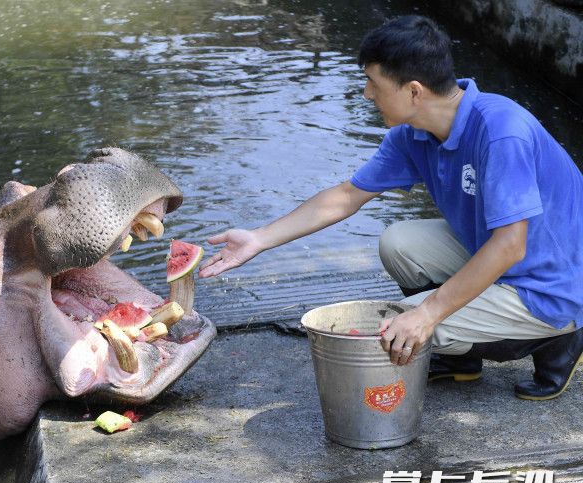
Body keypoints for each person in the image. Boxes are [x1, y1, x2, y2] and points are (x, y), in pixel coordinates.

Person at [198, 15, 583, 401]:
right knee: (398, 242)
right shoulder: (413, 134)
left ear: (414, 91)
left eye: (374, 83)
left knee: (397, 328)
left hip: (551, 285)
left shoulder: (502, 132)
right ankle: (459, 361)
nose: (367, 93)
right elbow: (347, 195)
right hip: (509, 258)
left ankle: (558, 338)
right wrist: (258, 239)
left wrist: (428, 313)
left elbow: (510, 246)